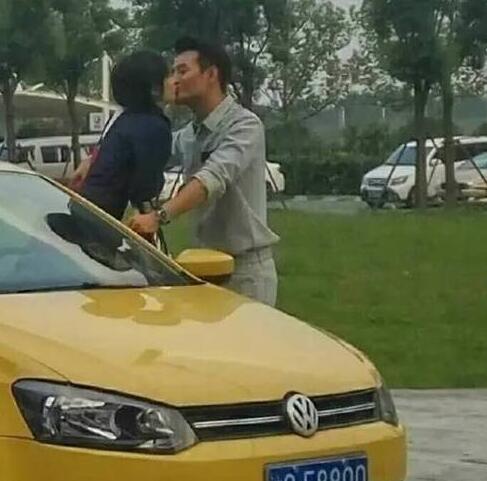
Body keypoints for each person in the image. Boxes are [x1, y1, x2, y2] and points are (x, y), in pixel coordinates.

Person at [128, 37, 280, 306]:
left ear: (211, 75)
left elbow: (211, 179)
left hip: (245, 271)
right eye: (172, 73)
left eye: (182, 71)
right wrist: (95, 159)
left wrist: (158, 216)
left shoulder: (245, 126)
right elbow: (148, 149)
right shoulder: (189, 134)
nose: (174, 80)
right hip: (205, 265)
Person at [71, 51, 173, 223]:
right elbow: (145, 189)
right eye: (169, 76)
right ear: (154, 89)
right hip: (101, 220)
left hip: (84, 209)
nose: (175, 81)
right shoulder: (154, 126)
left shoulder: (121, 119)